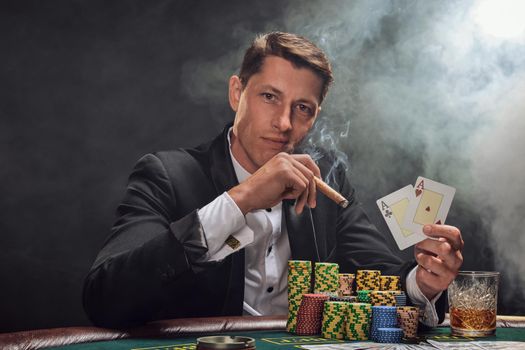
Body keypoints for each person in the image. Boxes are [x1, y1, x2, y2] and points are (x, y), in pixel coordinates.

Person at [83, 32, 463, 329]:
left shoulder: (327, 179)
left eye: (302, 108)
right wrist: (241, 198)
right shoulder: (167, 175)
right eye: (269, 97)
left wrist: (424, 282)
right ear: (237, 93)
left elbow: (384, 278)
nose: (284, 123)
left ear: (314, 118)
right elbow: (105, 297)